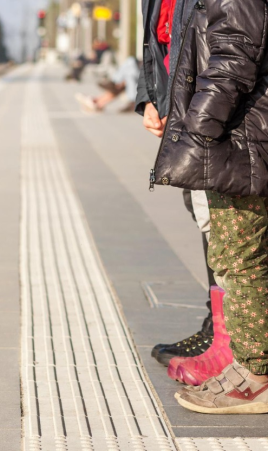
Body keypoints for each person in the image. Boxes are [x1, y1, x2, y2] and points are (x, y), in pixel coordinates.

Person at [141, 0, 268, 414]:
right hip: (232, 128)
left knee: (240, 253)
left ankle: (255, 375)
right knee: (232, 251)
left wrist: (197, 128)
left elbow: (234, 53)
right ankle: (245, 362)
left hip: (237, 131)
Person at [136, 0, 219, 373]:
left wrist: (196, 118)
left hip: (216, 114)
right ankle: (221, 329)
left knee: (228, 221)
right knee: (202, 210)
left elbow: (233, 46)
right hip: (187, 113)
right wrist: (152, 97)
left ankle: (233, 338)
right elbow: (156, 41)